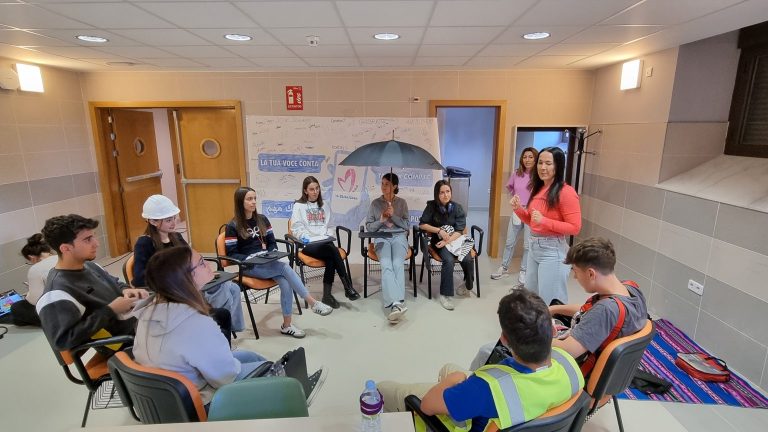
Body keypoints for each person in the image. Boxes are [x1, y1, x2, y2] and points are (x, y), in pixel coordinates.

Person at [378, 289, 583, 432]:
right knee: (449, 369)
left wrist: (454, 381)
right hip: (525, 409)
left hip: (476, 405)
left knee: (382, 389)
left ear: (504, 340)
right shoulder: (570, 365)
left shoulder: (487, 388)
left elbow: (427, 406)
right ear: (553, 331)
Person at [131, 246, 276, 405]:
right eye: (201, 262)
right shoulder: (196, 324)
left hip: (167, 396)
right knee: (271, 369)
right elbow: (225, 377)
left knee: (251, 357)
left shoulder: (148, 313)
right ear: (187, 278)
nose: (208, 264)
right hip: (201, 402)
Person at [225, 187, 332, 339]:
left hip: (267, 261)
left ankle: (287, 326)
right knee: (284, 267)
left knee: (285, 282)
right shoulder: (232, 226)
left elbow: (272, 242)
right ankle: (313, 303)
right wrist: (251, 257)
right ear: (239, 202)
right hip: (249, 266)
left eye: (255, 198)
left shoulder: (262, 219)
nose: (254, 202)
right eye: (249, 199)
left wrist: (271, 252)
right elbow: (231, 254)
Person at [132, 194, 245, 333]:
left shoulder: (176, 237)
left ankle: (227, 328)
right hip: (173, 289)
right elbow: (139, 279)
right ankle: (212, 327)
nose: (173, 223)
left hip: (188, 282)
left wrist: (204, 272)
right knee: (220, 290)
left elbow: (191, 259)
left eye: (174, 218)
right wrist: (174, 279)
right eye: (168, 220)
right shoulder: (145, 243)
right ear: (153, 221)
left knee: (232, 288)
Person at [36, 214, 149, 352]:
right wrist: (110, 310)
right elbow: (62, 341)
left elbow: (115, 282)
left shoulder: (91, 266)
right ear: (65, 248)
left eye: (93, 236)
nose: (96, 243)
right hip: (125, 346)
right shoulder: (56, 293)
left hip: (139, 328)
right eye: (88, 239)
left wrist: (125, 290)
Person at [550, 237, 648, 377]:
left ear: (591, 274)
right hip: (617, 372)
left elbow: (568, 350)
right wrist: (553, 309)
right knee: (556, 306)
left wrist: (538, 338)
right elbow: (590, 310)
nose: (575, 278)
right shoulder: (631, 289)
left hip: (587, 372)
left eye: (576, 272)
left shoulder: (605, 310)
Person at [511, 146, 581, 305]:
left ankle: (553, 322)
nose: (543, 167)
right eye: (540, 162)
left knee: (551, 303)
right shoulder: (538, 188)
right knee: (531, 299)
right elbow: (533, 221)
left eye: (548, 163)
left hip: (552, 251)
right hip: (534, 247)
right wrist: (518, 209)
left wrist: (545, 221)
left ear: (558, 166)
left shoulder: (566, 192)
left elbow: (575, 227)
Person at [290, 176, 360, 309]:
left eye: (317, 188)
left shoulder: (324, 205)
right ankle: (347, 287)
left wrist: (327, 235)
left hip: (325, 242)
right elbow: (296, 228)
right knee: (332, 251)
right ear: (305, 191)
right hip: (309, 245)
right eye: (312, 189)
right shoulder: (298, 206)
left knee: (330, 257)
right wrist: (305, 237)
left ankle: (328, 296)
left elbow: (330, 226)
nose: (315, 192)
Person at [419, 180, 474, 311]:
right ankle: (445, 295)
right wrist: (439, 231)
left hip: (456, 240)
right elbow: (422, 225)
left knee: (467, 259)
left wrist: (447, 240)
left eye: (448, 191)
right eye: (442, 192)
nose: (445, 195)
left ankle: (467, 285)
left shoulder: (457, 207)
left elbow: (460, 230)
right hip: (439, 242)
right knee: (448, 260)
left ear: (451, 192)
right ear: (437, 194)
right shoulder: (431, 207)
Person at [365, 173, 410, 323]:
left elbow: (406, 225)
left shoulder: (402, 203)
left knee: (397, 264)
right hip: (381, 237)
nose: (383, 187)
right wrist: (382, 219)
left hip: (398, 237)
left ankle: (395, 305)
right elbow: (369, 227)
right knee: (386, 265)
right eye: (382, 183)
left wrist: (394, 216)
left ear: (395, 186)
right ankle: (397, 304)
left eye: (387, 184)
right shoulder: (375, 204)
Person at [491, 147, 537, 284]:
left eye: (530, 157)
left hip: (531, 212)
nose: (527, 160)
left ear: (535, 159)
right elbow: (510, 187)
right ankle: (504, 268)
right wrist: (515, 198)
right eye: (525, 157)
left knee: (527, 245)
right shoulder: (517, 173)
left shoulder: (538, 176)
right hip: (517, 211)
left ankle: (524, 271)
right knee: (509, 242)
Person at [7, 234, 56, 326]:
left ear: (32, 257)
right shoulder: (63, 258)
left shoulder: (36, 269)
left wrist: (29, 292)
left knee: (16, 307)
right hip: (80, 305)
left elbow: (34, 301)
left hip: (59, 314)